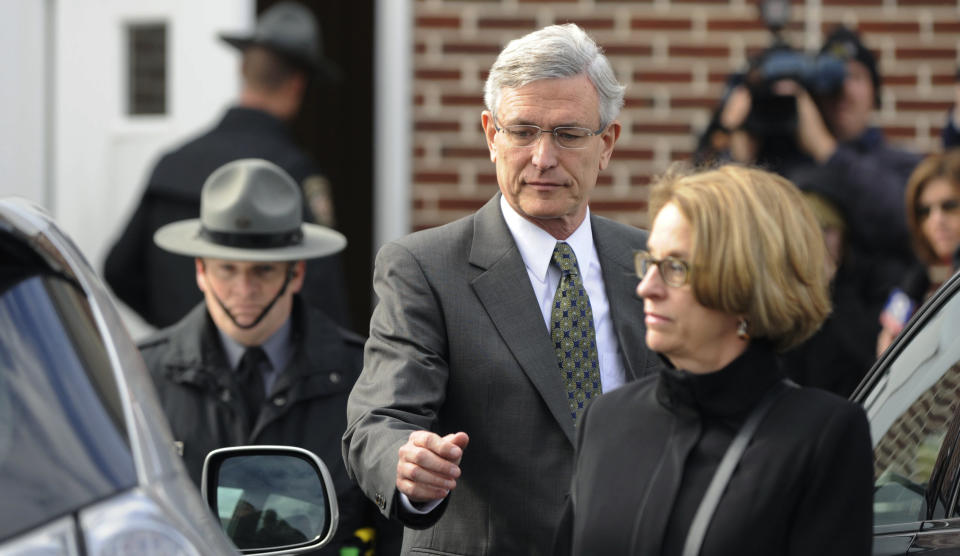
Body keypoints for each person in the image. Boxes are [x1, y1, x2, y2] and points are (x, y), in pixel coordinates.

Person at [342, 23, 661, 555]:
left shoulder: (649, 264)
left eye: (567, 134)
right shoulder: (424, 268)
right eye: (522, 131)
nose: (542, 158)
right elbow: (380, 419)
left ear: (606, 144)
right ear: (491, 135)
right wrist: (408, 462)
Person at [556, 164, 874, 555]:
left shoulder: (821, 436)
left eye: (675, 268)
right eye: (650, 261)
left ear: (746, 285)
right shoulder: (606, 420)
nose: (646, 287)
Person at [140, 158, 398, 555]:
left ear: (295, 274)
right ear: (200, 271)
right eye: (227, 269)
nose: (244, 289)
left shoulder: (363, 375)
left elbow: (392, 526)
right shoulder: (141, 375)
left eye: (262, 271)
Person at [104, 1, 350, 331]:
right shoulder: (292, 174)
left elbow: (118, 269)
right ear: (297, 85)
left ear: (242, 70)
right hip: (265, 376)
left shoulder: (173, 163)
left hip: (179, 371)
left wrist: (179, 331)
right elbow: (324, 296)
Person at [696, 26, 921, 293]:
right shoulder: (779, 165)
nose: (843, 90)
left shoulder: (900, 165)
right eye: (833, 81)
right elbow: (710, 231)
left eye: (856, 77)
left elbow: (906, 224)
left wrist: (827, 150)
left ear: (876, 93)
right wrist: (738, 156)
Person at [877, 149, 960, 355]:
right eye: (925, 211)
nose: (936, 220)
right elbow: (886, 344)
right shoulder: (916, 279)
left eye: (949, 206)